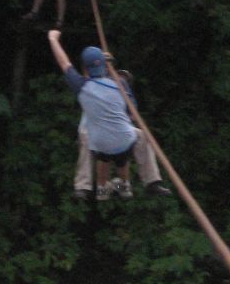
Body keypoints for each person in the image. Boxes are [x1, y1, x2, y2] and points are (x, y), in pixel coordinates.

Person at [47, 30, 136, 199]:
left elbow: (68, 65)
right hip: (105, 132)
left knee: (110, 166)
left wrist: (52, 39)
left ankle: (110, 187)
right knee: (109, 162)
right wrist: (106, 61)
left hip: (105, 133)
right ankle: (105, 186)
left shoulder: (99, 86)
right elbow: (99, 78)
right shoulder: (111, 86)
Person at [72, 69, 172, 199]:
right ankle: (84, 187)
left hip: (117, 138)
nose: (120, 80)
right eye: (118, 76)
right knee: (89, 141)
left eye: (124, 80)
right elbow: (87, 76)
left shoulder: (123, 98)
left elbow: (132, 115)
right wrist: (102, 59)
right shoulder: (97, 89)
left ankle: (151, 182)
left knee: (140, 137)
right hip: (97, 135)